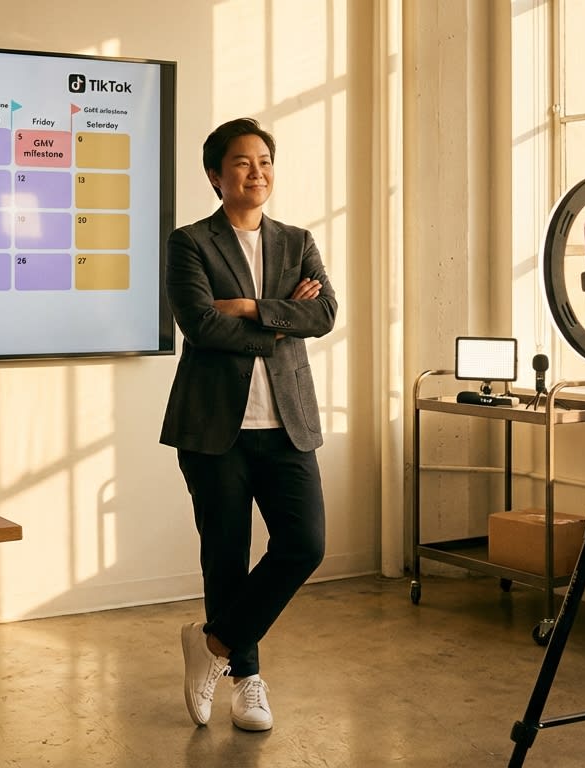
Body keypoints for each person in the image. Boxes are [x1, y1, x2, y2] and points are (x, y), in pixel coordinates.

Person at [160, 117, 337, 731]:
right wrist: (286, 316)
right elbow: (202, 326)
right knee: (227, 556)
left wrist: (254, 308)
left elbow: (327, 314)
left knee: (304, 545)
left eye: (264, 160)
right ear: (216, 176)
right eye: (241, 162)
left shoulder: (297, 240)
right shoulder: (189, 243)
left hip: (287, 423)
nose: (256, 171)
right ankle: (248, 680)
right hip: (214, 426)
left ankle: (212, 647)